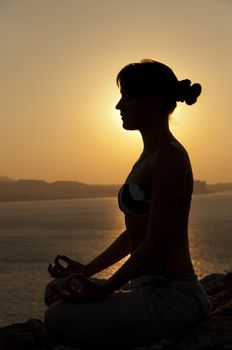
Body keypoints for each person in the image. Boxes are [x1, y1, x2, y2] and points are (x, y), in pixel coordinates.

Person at [44, 59, 211, 348]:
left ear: (155, 103)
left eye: (128, 97)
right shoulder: (150, 155)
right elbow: (137, 234)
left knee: (58, 318)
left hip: (173, 295)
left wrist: (105, 290)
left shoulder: (169, 157)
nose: (119, 106)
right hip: (146, 289)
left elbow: (155, 241)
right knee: (55, 290)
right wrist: (85, 271)